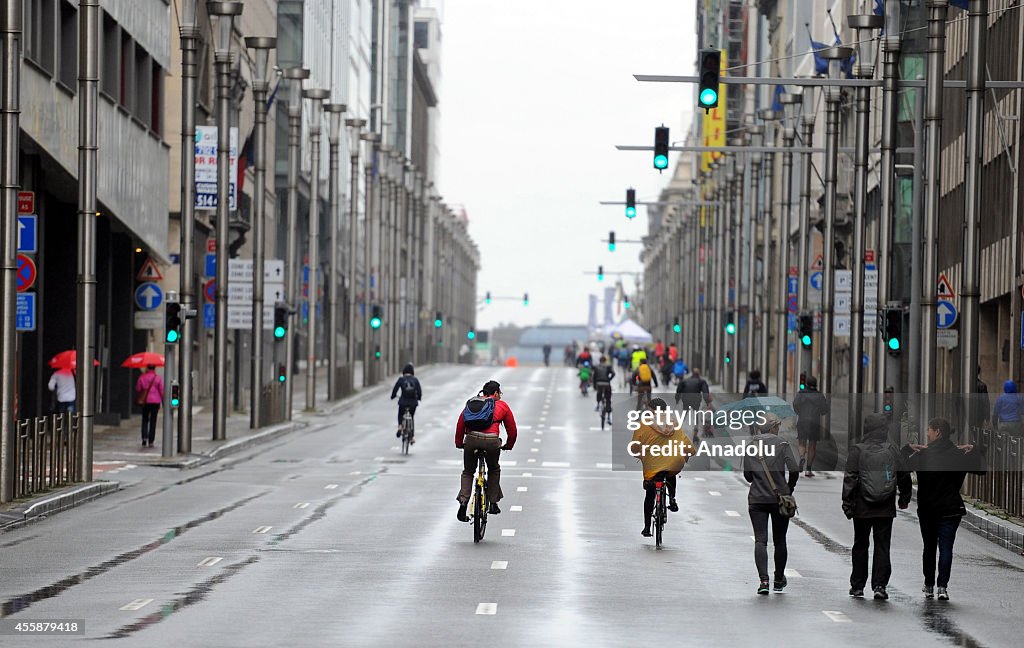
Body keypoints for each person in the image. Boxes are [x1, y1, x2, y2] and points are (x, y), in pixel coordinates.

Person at [902, 417, 986, 601]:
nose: (927, 434)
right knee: (946, 548)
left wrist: (908, 449)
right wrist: (975, 449)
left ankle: (929, 585)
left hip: (927, 509)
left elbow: (901, 467)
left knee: (929, 547)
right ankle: (942, 587)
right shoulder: (958, 455)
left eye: (929, 430)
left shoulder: (922, 456)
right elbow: (981, 469)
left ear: (937, 432)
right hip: (951, 509)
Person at [842, 413, 912, 600]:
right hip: (885, 506)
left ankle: (857, 586)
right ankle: (879, 585)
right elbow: (904, 475)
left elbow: (850, 478)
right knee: (882, 546)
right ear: (884, 430)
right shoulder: (892, 449)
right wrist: (904, 498)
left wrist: (847, 504)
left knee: (860, 545)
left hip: (861, 507)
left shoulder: (857, 450)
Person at [744, 412, 800, 595]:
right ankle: (778, 579)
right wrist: (788, 488)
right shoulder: (783, 445)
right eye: (777, 426)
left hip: (757, 499)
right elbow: (794, 470)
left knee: (761, 540)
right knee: (780, 540)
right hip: (779, 499)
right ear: (773, 427)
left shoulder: (751, 445)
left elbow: (748, 476)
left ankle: (763, 581)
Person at [455, 380, 517, 521]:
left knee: (468, 471)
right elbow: (512, 430)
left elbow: (460, 424)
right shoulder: (502, 405)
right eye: (499, 393)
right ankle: (493, 503)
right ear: (495, 393)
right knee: (494, 469)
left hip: (471, 440)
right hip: (491, 442)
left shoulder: (473, 403)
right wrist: (508, 445)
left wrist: (459, 443)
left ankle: (463, 503)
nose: (500, 396)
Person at [631, 398, 694, 537]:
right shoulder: (674, 423)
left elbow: (635, 445)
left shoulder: (644, 424)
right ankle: (672, 498)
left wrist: (640, 454)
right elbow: (687, 444)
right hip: (673, 462)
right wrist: (688, 454)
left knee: (650, 494)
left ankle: (647, 527)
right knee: (670, 472)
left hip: (652, 463)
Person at [793, 376, 827, 477]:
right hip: (814, 422)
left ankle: (802, 457)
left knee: (802, 442)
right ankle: (808, 469)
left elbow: (795, 404)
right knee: (812, 444)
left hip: (803, 421)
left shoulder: (801, 394)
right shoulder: (819, 395)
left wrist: (799, 412)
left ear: (806, 384)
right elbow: (824, 409)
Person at [390, 363, 422, 442]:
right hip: (413, 403)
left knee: (400, 413)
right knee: (411, 417)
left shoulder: (401, 379)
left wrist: (393, 396)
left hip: (403, 402)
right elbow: (419, 391)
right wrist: (419, 398)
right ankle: (411, 437)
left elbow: (395, 389)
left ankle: (400, 426)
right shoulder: (415, 380)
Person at [135, 365, 164, 448]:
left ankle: (144, 438)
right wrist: (163, 401)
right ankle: (151, 440)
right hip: (155, 402)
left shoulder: (142, 377)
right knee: (153, 421)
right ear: (154, 368)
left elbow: (138, 388)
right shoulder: (158, 378)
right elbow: (162, 391)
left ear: (147, 368)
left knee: (144, 419)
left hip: (145, 401)